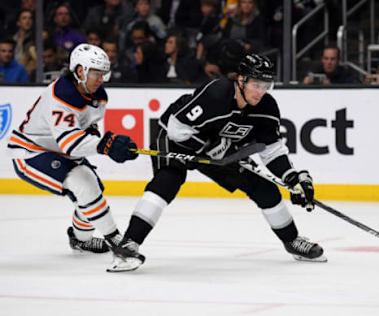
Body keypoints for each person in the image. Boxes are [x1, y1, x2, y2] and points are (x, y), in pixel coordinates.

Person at [107, 53, 327, 272]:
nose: (261, 91)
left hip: (221, 148)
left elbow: (272, 150)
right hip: (177, 139)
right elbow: (176, 128)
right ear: (241, 80)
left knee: (263, 187)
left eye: (266, 85)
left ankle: (292, 240)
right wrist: (210, 147)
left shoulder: (267, 108)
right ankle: (128, 244)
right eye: (256, 84)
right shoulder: (217, 93)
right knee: (168, 181)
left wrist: (292, 178)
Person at [7, 44, 138, 255]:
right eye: (96, 73)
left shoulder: (98, 96)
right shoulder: (61, 95)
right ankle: (118, 243)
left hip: (59, 149)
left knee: (92, 188)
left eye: (103, 74)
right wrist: (106, 145)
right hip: (30, 152)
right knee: (83, 183)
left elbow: (88, 132)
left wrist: (111, 145)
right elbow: (70, 143)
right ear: (80, 71)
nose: (101, 79)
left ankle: (80, 239)